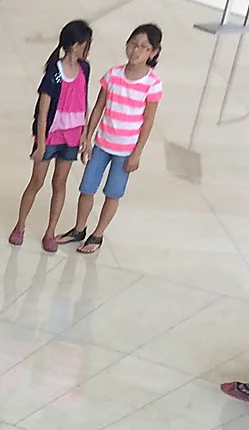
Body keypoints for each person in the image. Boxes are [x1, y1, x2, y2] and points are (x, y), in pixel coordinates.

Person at [59, 24, 162, 256]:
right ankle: (79, 228)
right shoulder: (113, 75)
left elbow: (148, 122)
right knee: (87, 187)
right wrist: (87, 136)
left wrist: (137, 153)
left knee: (113, 193)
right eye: (133, 44)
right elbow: (98, 107)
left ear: (153, 52)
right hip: (102, 144)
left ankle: (98, 233)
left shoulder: (152, 84)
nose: (136, 51)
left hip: (125, 150)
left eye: (143, 47)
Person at [11, 20, 93, 253]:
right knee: (37, 182)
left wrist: (85, 135)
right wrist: (40, 142)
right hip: (51, 136)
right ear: (75, 45)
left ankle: (50, 232)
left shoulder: (85, 69)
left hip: (72, 136)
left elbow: (83, 101)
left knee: (60, 184)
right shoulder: (54, 73)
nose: (86, 49)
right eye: (85, 44)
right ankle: (20, 226)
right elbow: (43, 108)